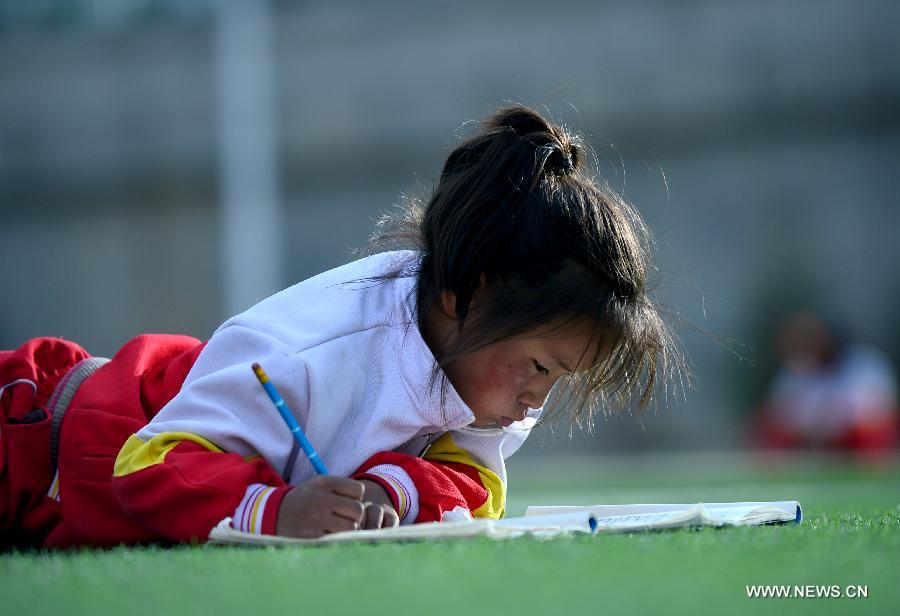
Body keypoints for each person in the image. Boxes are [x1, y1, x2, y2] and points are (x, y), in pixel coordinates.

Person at [0, 105, 679, 549]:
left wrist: (390, 492)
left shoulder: (489, 355)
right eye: (539, 368)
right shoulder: (312, 350)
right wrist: (275, 510)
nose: (538, 400)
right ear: (463, 296)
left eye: (558, 377)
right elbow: (146, 462)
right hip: (42, 438)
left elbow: (477, 489)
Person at [755, 310, 898, 458]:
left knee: (869, 434)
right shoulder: (797, 370)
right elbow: (780, 417)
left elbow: (873, 417)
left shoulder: (864, 365)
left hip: (853, 442)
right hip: (812, 443)